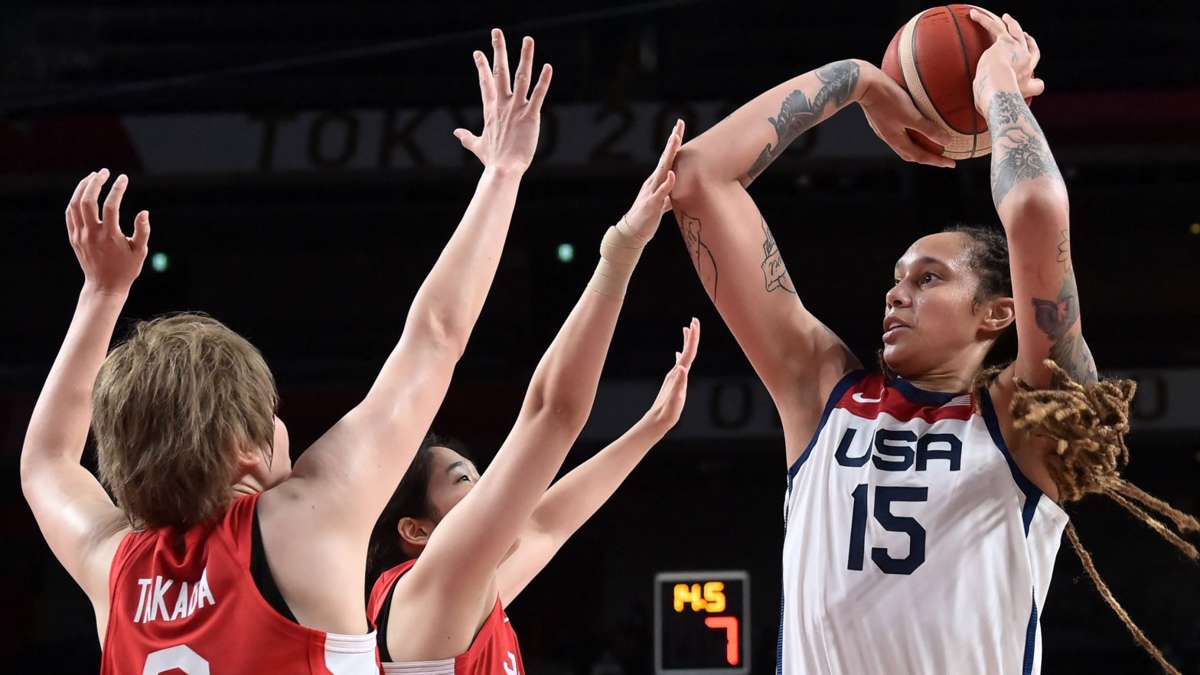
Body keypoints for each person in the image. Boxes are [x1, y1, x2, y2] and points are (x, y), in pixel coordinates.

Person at [669, 10, 1195, 674]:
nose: (896, 295)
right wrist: (857, 80)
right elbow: (696, 177)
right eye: (896, 280)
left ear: (998, 313)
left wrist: (996, 85)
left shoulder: (1030, 422)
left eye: (928, 278)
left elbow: (1036, 209)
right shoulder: (822, 393)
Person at [19, 27, 550, 674]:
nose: (283, 426)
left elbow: (47, 460)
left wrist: (101, 294)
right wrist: (502, 174)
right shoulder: (303, 520)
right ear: (243, 447)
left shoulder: (113, 566)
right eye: (271, 415)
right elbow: (434, 337)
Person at [367, 113, 695, 673]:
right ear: (416, 530)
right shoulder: (431, 590)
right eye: (463, 481)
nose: (490, 487)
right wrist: (620, 252)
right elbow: (551, 413)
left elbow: (548, 523)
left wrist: (650, 428)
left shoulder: (464, 594)